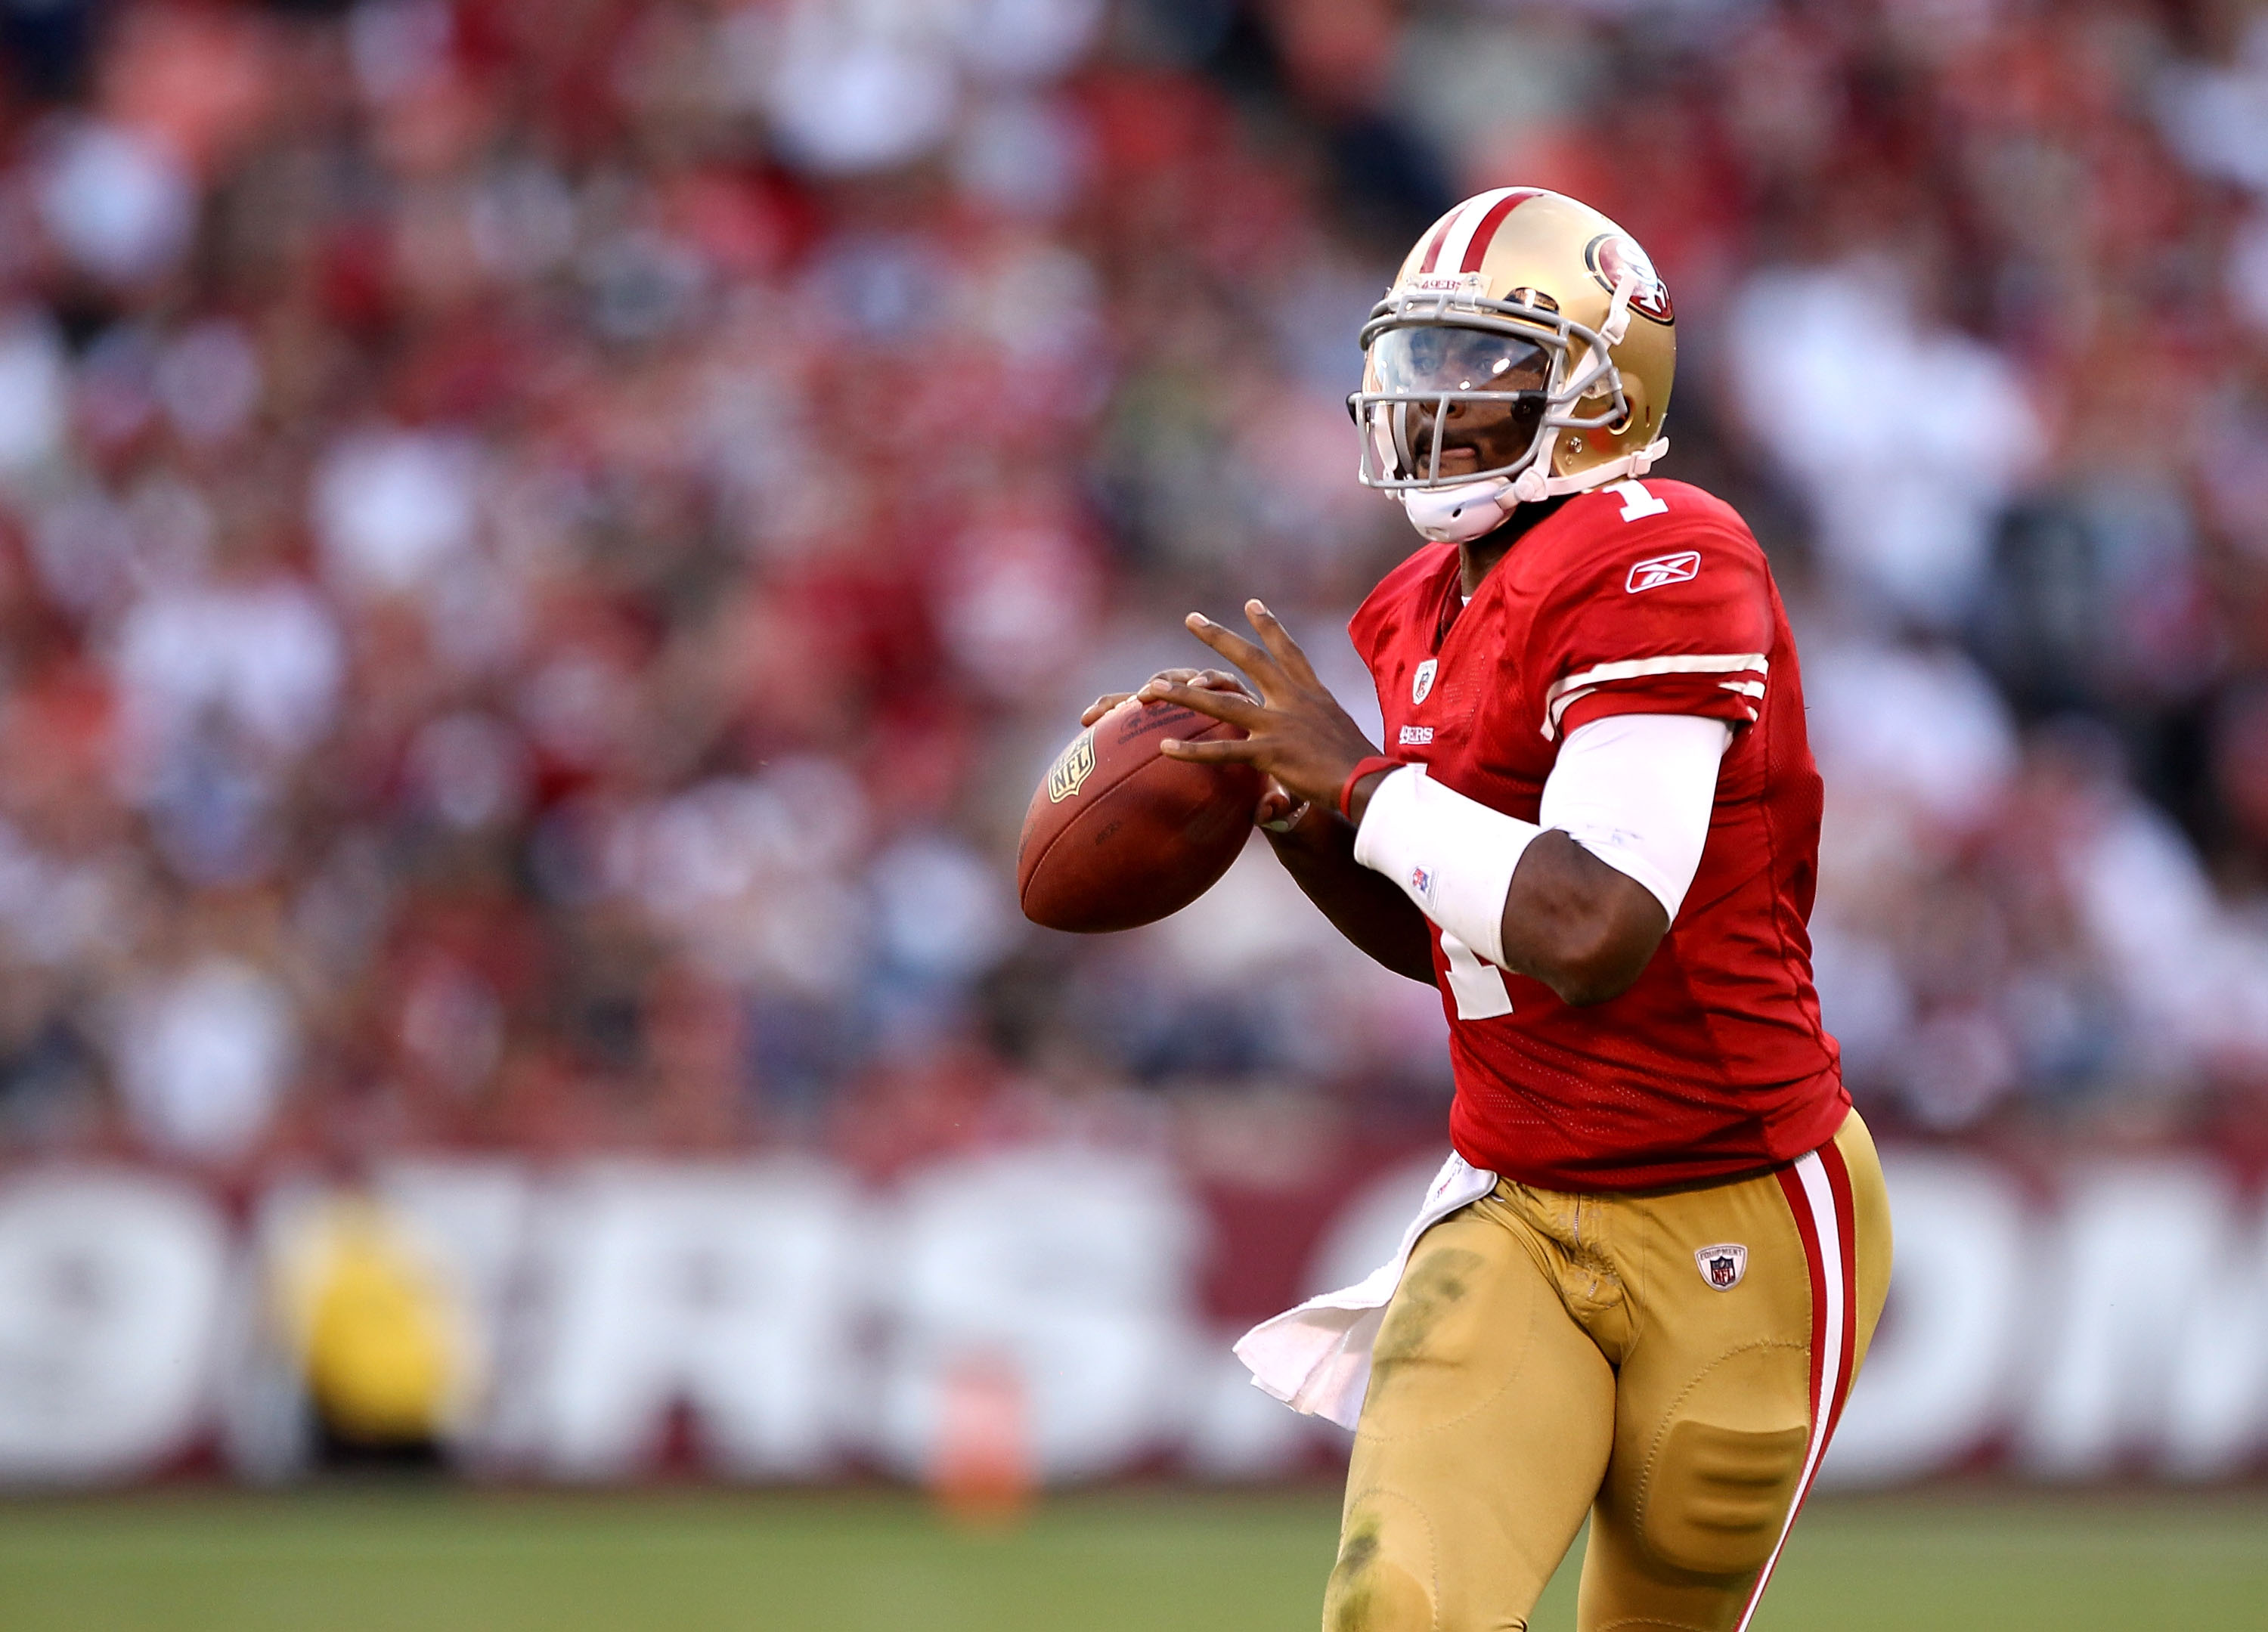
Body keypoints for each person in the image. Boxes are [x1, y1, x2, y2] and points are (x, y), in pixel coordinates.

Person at [1083, 187, 1892, 1632]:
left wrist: (1362, 784)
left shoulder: (1668, 552)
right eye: (1423, 360)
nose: (1434, 401)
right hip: (1517, 1198)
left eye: (1484, 363)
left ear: (1599, 386)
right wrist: (1298, 811)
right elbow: (1461, 939)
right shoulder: (1415, 602)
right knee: (1401, 1610)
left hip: (1738, 1209)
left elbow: (1593, 930)